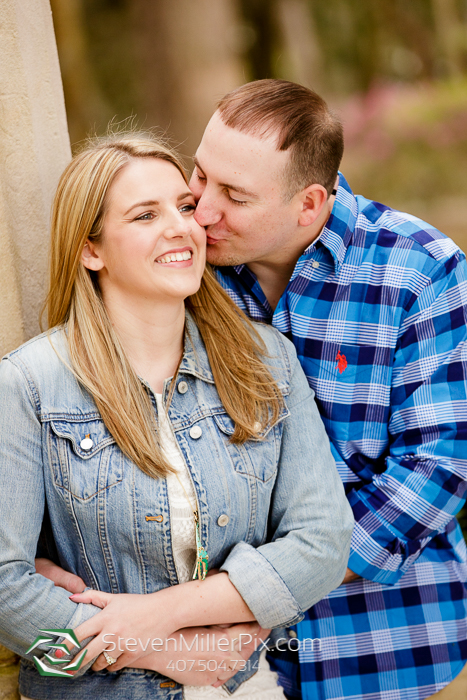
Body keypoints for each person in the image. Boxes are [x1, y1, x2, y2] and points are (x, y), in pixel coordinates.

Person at [0, 133, 354, 700]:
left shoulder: (264, 361)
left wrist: (158, 613)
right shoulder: (27, 385)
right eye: (145, 215)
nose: (181, 227)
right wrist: (165, 650)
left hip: (247, 689)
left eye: (184, 207)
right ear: (91, 250)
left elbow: (323, 544)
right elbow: (4, 591)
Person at [187, 79, 467, 700]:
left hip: (390, 647)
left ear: (309, 205)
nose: (203, 210)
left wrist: (265, 587)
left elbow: (439, 467)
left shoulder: (419, 269)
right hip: (225, 665)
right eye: (200, 176)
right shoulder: (185, 269)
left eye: (234, 195)